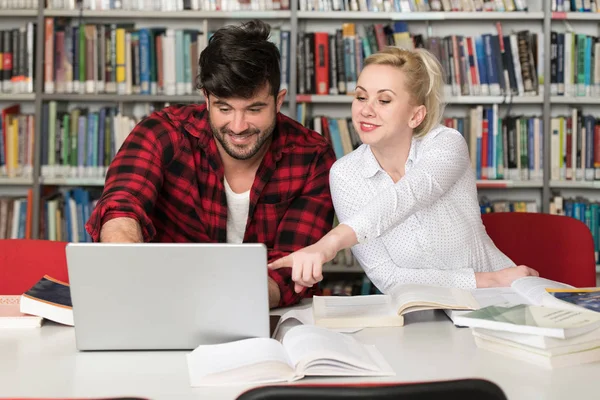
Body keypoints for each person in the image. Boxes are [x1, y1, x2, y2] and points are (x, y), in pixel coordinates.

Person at [85, 20, 336, 308]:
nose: (238, 126)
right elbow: (121, 206)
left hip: (258, 311)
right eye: (224, 108)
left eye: (254, 109)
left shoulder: (312, 157)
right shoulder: (161, 133)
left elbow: (292, 270)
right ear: (206, 98)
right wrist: (128, 257)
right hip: (160, 307)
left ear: (278, 101)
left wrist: (222, 304)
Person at [269, 47, 539, 294]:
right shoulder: (345, 174)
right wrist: (486, 279)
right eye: (361, 97)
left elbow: (408, 196)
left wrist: (328, 244)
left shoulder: (446, 143)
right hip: (424, 310)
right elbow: (388, 277)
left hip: (503, 293)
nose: (366, 110)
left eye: (384, 101)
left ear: (416, 115)